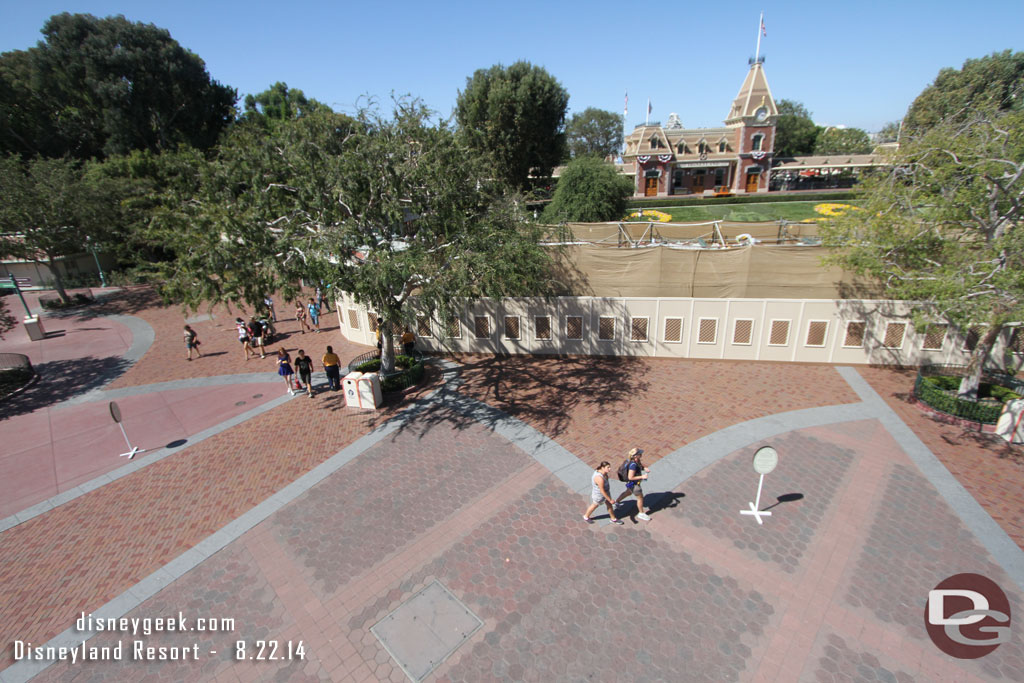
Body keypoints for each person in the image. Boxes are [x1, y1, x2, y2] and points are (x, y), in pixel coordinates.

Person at [615, 447, 652, 521]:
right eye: (639, 454)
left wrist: (644, 468)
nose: (641, 454)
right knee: (640, 498)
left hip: (631, 484)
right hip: (634, 484)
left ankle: (617, 502)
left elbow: (640, 465)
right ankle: (641, 513)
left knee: (628, 492)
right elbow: (630, 477)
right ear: (635, 455)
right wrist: (642, 476)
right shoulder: (633, 465)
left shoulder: (633, 460)